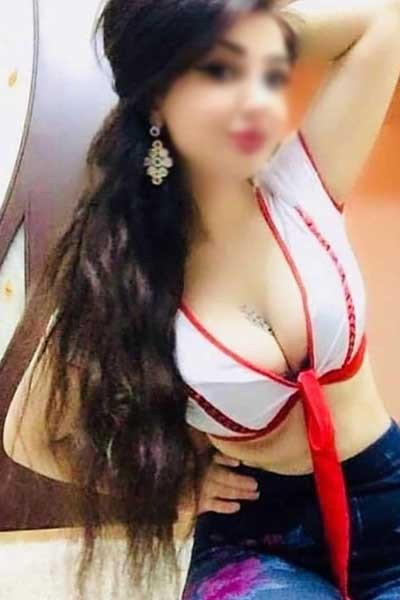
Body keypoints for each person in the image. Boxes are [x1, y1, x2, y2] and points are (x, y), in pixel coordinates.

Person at [3, 1, 400, 599]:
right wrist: (174, 488)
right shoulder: (126, 269)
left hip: (387, 491)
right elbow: (29, 436)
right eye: (219, 72)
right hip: (261, 540)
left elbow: (381, 23)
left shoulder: (303, 186)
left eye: (267, 71)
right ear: (156, 101)